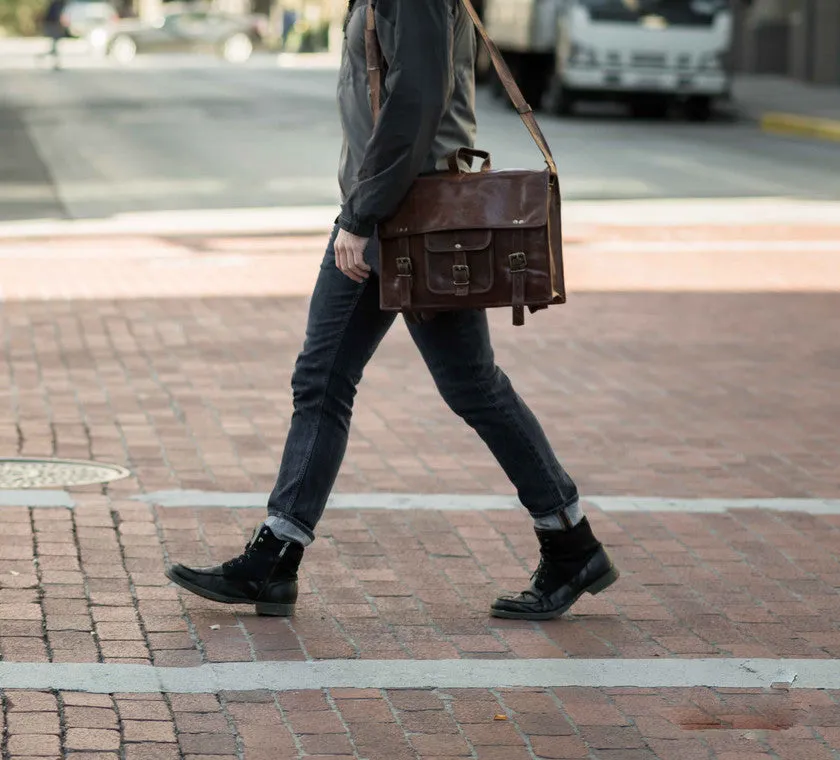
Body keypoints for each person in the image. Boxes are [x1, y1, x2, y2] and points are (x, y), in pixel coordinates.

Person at [165, 0, 619, 622]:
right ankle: (569, 541)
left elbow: (416, 102)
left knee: (366, 382)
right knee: (382, 382)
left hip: (408, 222)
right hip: (397, 214)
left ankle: (569, 541)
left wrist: (361, 217)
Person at [41, 0, 67, 70]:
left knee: (55, 45)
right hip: (53, 24)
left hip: (52, 24)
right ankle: (55, 63)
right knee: (55, 45)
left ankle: (45, 57)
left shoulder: (57, 3)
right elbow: (57, 15)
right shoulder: (59, 4)